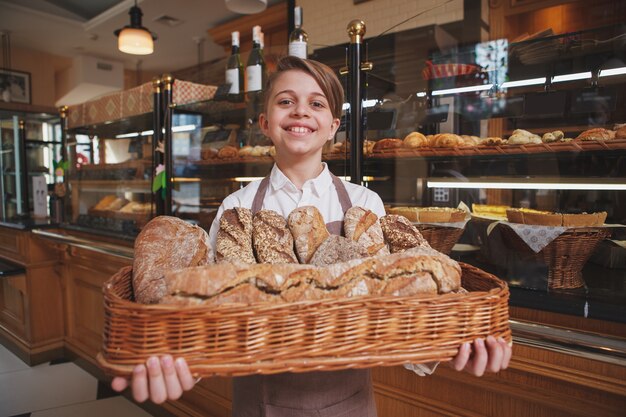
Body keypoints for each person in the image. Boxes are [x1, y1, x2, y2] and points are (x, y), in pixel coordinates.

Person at [111, 56, 512, 414]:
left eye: (316, 103)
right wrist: (181, 366)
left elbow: (391, 306)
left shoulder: (364, 203)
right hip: (257, 401)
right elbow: (214, 314)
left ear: (333, 126)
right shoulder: (237, 206)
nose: (300, 111)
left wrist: (449, 344)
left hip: (348, 402)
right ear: (265, 123)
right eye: (286, 101)